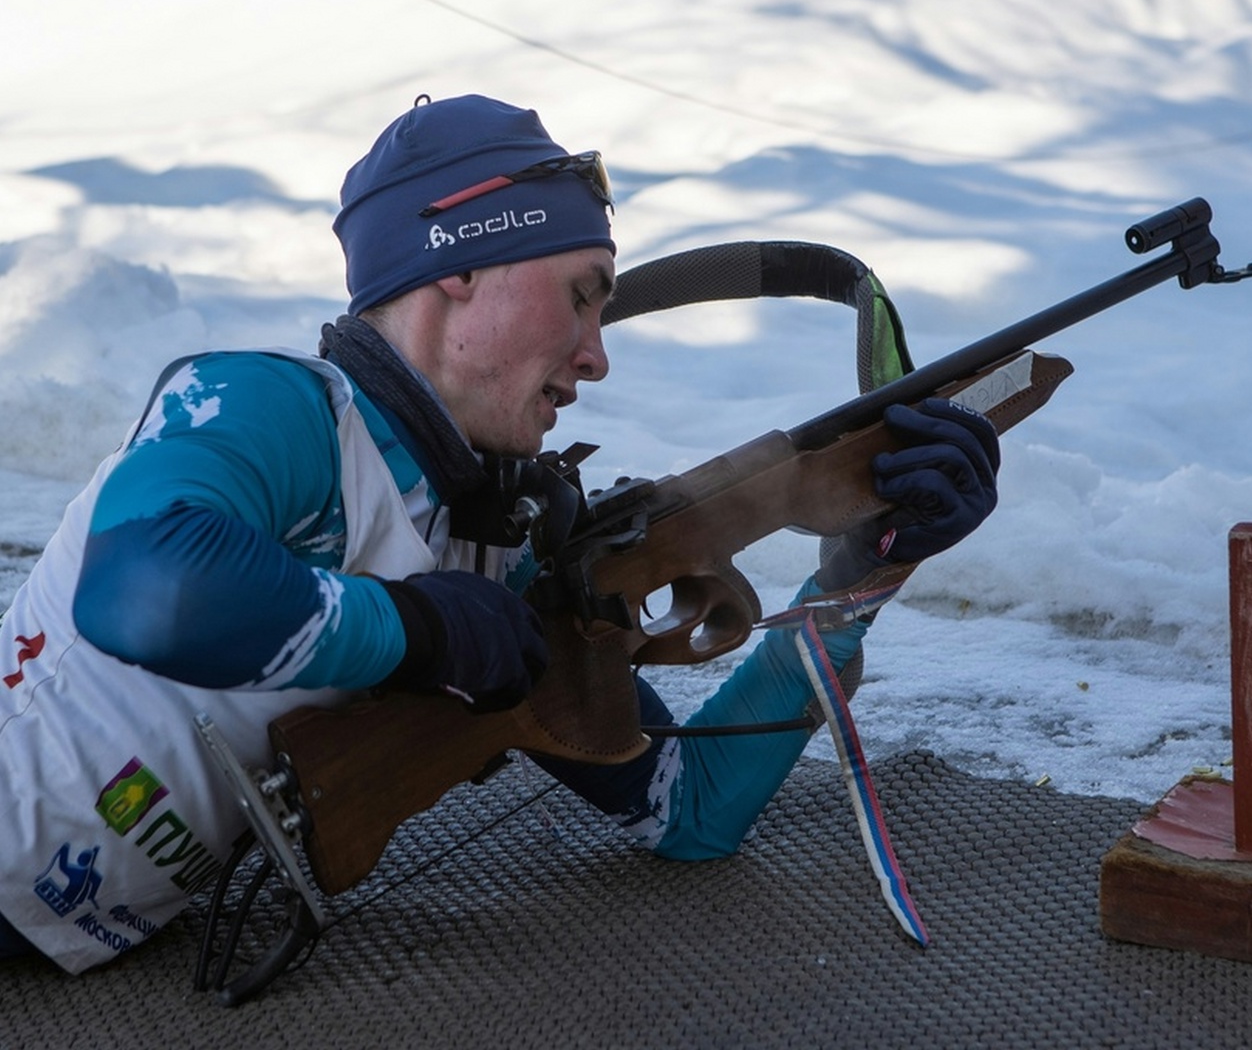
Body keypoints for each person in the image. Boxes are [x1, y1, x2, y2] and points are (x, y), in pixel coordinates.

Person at [0, 94, 1000, 974]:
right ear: (459, 267)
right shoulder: (273, 405)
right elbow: (148, 591)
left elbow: (691, 804)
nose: (596, 356)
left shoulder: (489, 540)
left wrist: (859, 574)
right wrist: (420, 629)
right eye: (579, 294)